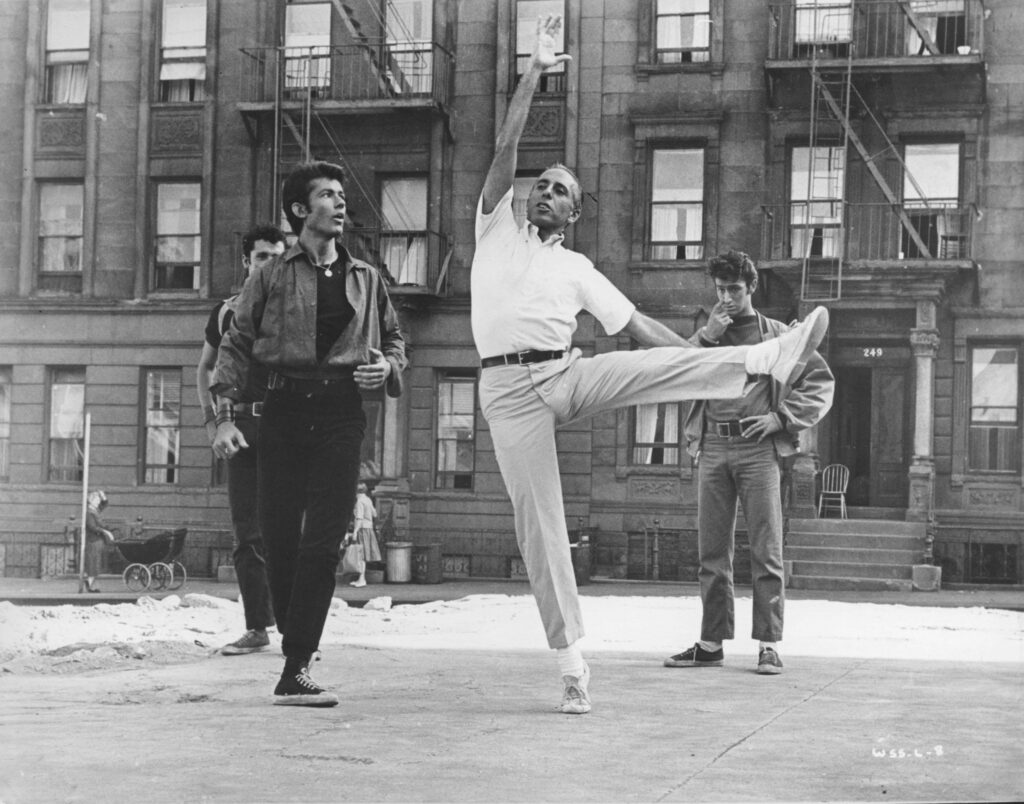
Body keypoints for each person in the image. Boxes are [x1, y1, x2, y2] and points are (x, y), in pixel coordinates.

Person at [472, 15, 830, 715]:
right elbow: (506, 143)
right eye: (541, 184)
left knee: (654, 364)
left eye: (561, 190)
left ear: (574, 213)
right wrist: (537, 71)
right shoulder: (495, 228)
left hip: (564, 373)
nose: (545, 192)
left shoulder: (577, 267)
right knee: (540, 524)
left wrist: (699, 354)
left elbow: (638, 330)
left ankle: (764, 354)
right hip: (507, 392)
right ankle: (571, 662)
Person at [211, 160, 407, 707]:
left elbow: (394, 339)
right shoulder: (270, 274)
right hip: (284, 410)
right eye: (328, 195)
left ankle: (296, 664)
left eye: (343, 195)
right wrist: (223, 415)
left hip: (342, 411)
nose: (341, 203)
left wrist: (387, 368)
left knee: (323, 540)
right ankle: (291, 648)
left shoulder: (366, 278)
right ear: (300, 210)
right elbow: (236, 342)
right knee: (278, 538)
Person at [663, 251, 834, 675]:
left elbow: (819, 382)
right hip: (713, 450)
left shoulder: (777, 334)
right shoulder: (708, 333)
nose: (726, 298)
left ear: (751, 288)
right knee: (712, 552)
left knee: (765, 549)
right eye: (719, 290)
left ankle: (769, 645)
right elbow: (676, 375)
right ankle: (710, 644)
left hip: (759, 452)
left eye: (734, 290)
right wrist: (706, 337)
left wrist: (781, 417)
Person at [196, 224, 286, 655]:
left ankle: (298, 631)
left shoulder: (295, 310)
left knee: (290, 531)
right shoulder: (226, 312)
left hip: (289, 427)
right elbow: (206, 369)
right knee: (246, 531)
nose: (270, 263)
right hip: (242, 427)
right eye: (263, 256)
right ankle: (256, 628)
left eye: (278, 256)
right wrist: (214, 424)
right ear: (247, 261)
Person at [349, 482, 381, 587]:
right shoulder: (368, 500)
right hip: (369, 529)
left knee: (361, 555)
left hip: (362, 529)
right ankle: (361, 578)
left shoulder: (359, 502)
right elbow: (374, 513)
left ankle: (361, 579)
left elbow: (359, 518)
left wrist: (355, 531)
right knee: (363, 555)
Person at [82, 490, 115, 593]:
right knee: (93, 564)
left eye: (98, 500)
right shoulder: (89, 512)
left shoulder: (95, 510)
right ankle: (89, 585)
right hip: (93, 541)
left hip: (98, 541)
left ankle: (90, 584)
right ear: (91, 500)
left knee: (96, 564)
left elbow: (105, 504)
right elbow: (92, 527)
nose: (98, 501)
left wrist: (102, 496)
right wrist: (105, 531)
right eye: (96, 499)